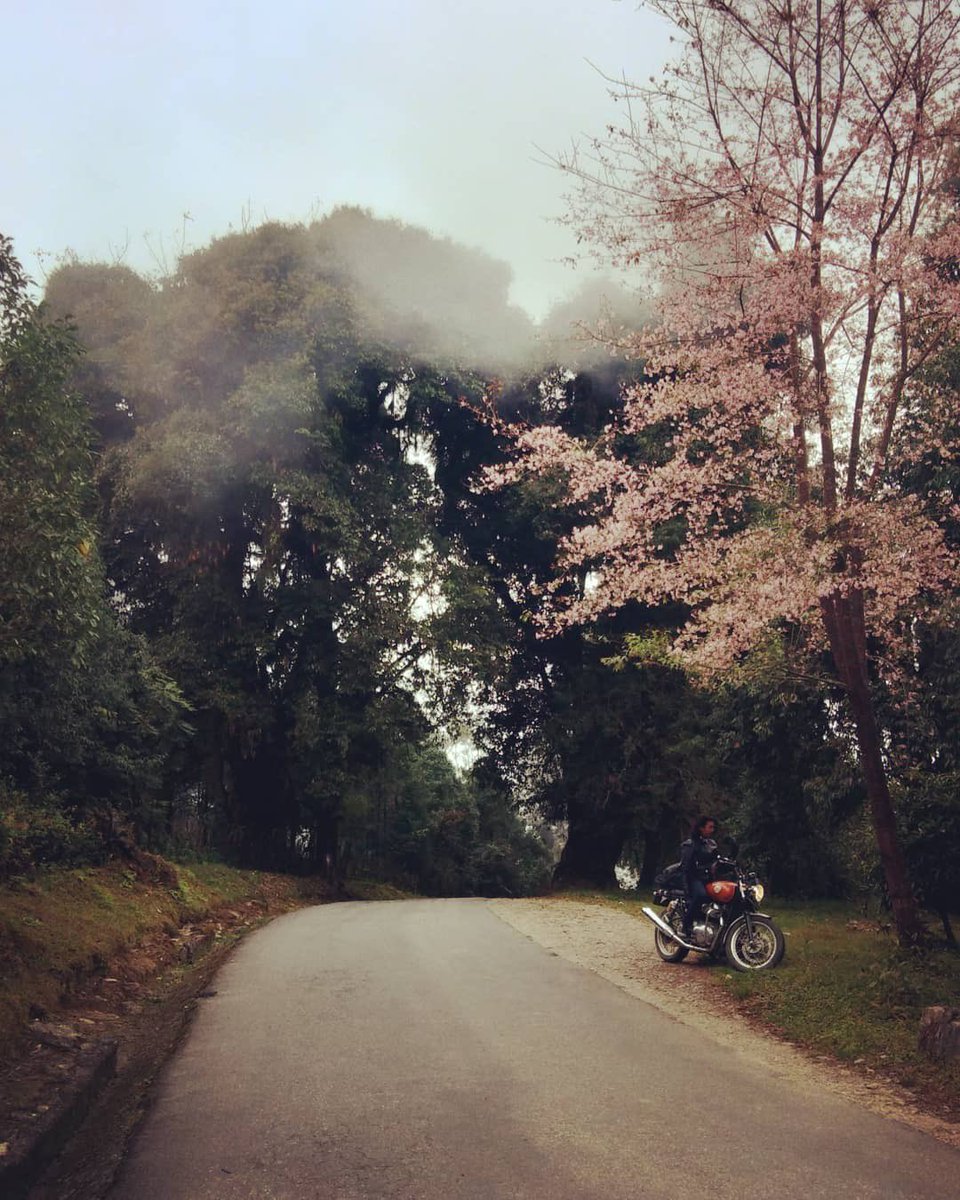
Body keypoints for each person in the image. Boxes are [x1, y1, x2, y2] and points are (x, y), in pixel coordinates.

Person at [680, 815, 718, 939]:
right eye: (710, 827)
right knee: (701, 895)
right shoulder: (691, 844)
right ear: (701, 828)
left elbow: (718, 860)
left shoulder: (711, 844)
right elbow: (686, 868)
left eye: (713, 827)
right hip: (694, 878)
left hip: (708, 879)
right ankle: (685, 926)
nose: (712, 830)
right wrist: (687, 888)